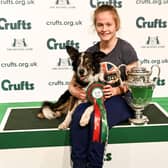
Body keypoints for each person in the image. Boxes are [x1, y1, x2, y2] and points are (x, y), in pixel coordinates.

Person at [68, 4, 139, 168]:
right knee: (78, 117)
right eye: (100, 25)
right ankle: (78, 164)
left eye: (108, 24)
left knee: (99, 119)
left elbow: (135, 82)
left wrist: (116, 90)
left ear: (116, 25)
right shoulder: (91, 52)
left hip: (120, 100)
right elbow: (73, 83)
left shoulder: (125, 49)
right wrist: (75, 91)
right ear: (95, 26)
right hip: (93, 101)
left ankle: (94, 164)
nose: (104, 29)